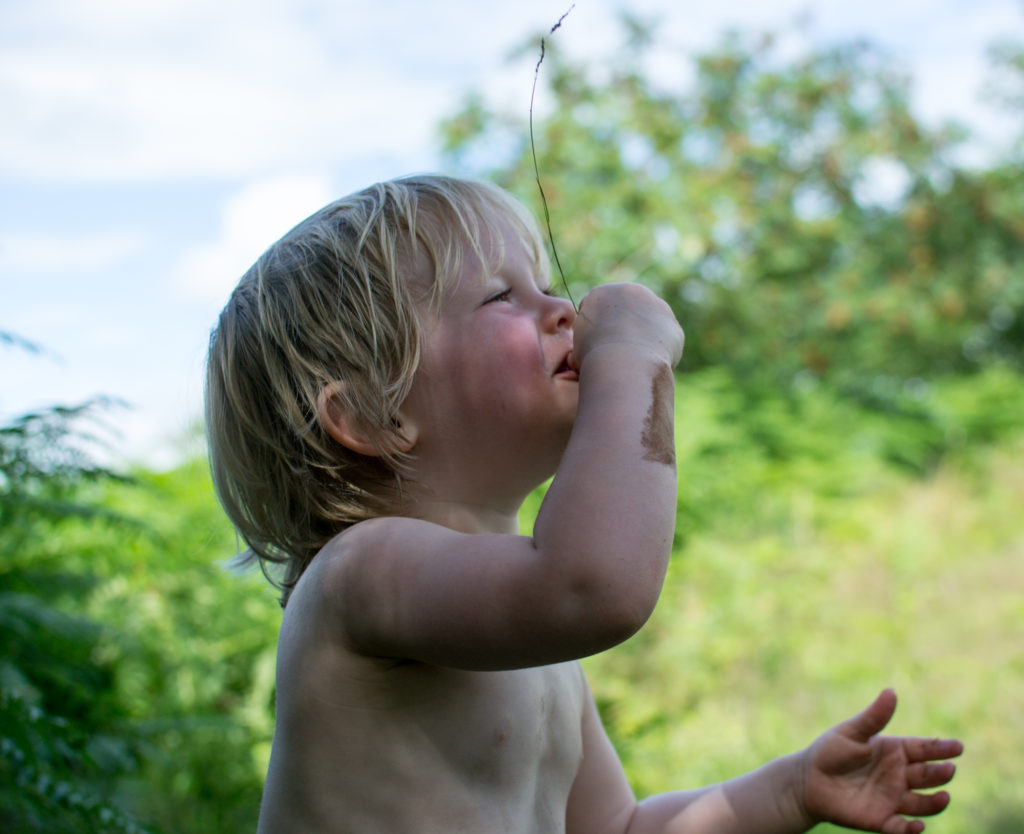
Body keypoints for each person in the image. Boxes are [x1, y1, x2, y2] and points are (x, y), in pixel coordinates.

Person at [205, 174, 962, 834]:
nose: (563, 307)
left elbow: (617, 829)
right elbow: (593, 585)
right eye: (504, 296)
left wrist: (790, 790)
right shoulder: (360, 575)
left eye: (543, 282)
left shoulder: (523, 616)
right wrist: (633, 363)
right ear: (373, 416)